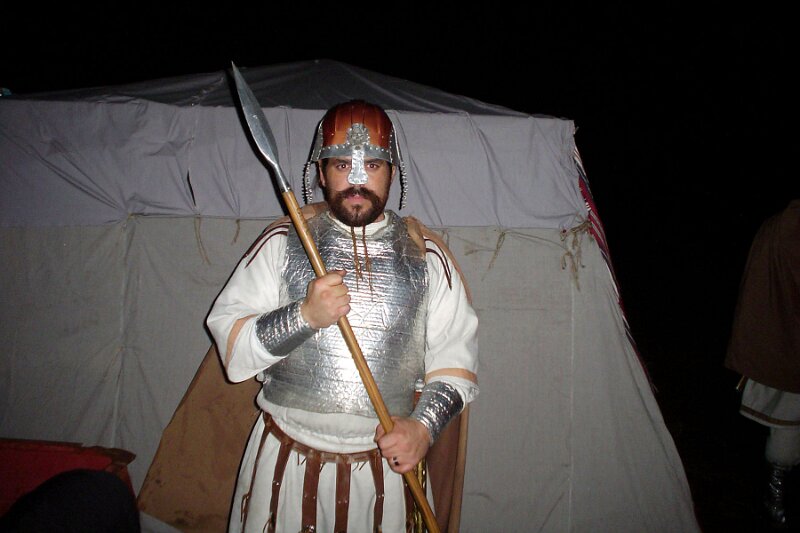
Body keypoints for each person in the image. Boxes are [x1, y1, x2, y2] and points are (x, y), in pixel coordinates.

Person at [207, 100, 479, 532]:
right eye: (340, 165)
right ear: (320, 172)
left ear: (392, 172)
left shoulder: (425, 256)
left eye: (372, 164)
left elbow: (456, 362)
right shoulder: (282, 242)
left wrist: (423, 429)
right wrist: (303, 317)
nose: (356, 180)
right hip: (284, 466)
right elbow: (234, 351)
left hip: (384, 475)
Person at [725, 199, 800, 528]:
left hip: (786, 345)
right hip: (786, 347)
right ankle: (775, 493)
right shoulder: (782, 229)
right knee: (786, 428)